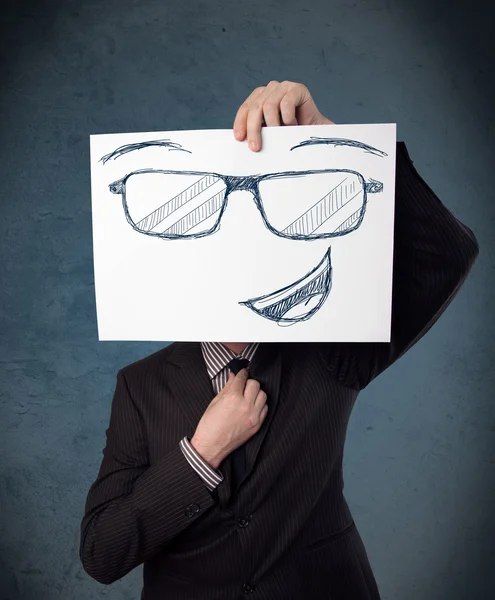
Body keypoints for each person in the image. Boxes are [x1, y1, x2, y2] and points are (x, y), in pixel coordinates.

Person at [79, 81, 479, 599]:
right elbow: (101, 553)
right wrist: (201, 452)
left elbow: (446, 254)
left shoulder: (331, 349)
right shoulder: (140, 386)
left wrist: (335, 142)